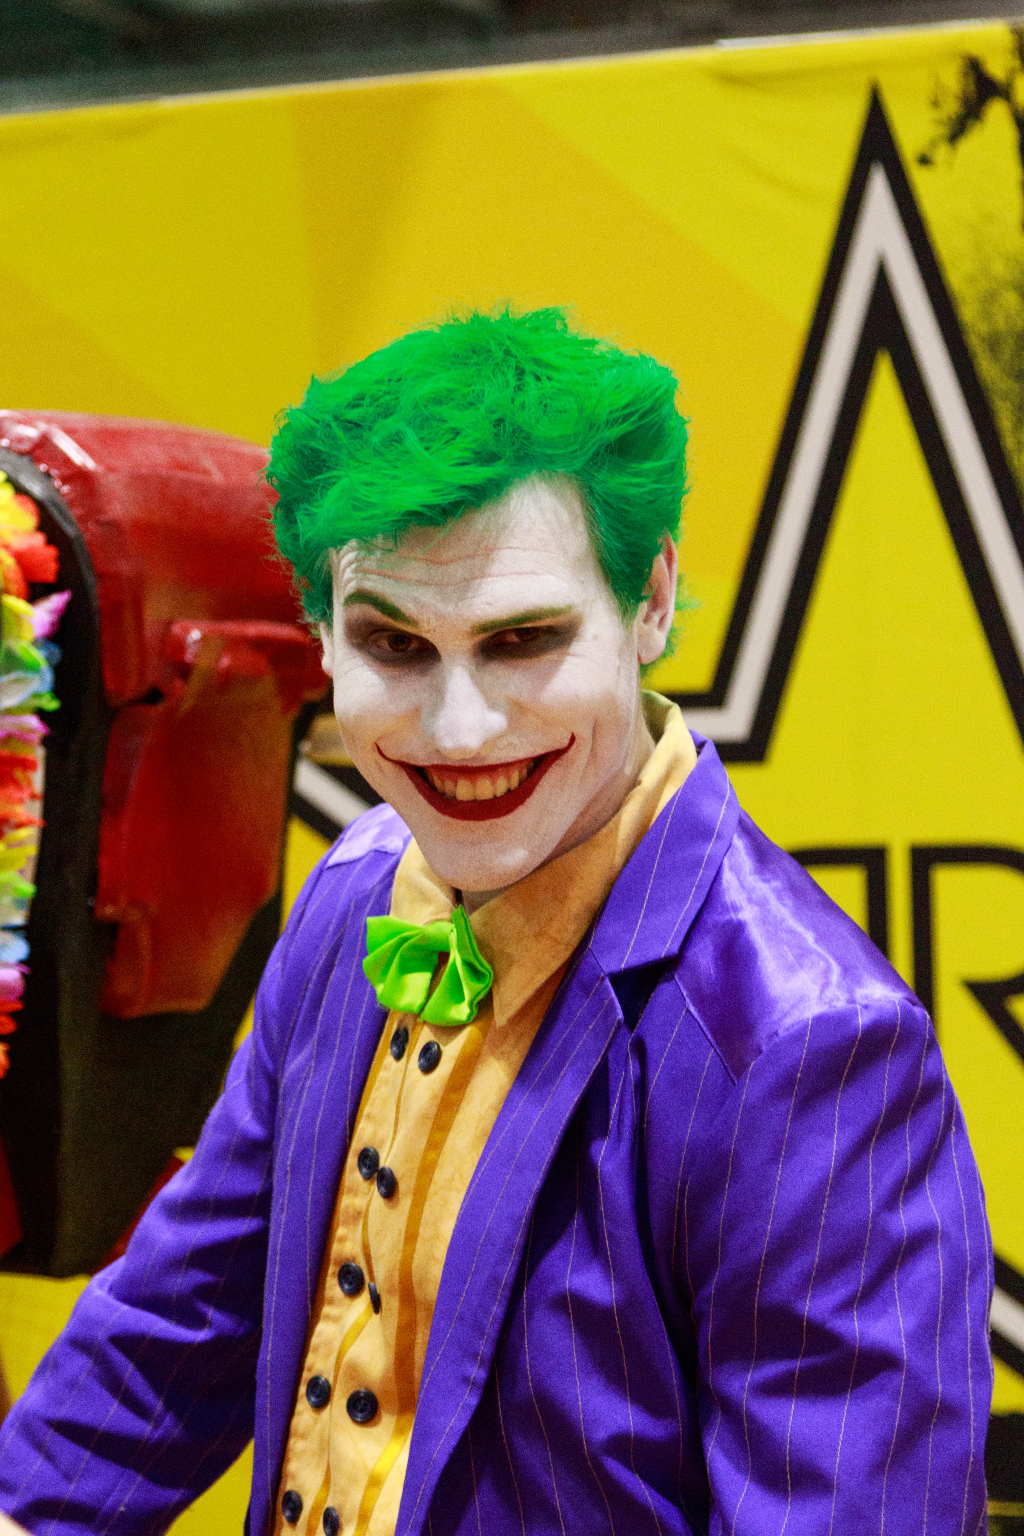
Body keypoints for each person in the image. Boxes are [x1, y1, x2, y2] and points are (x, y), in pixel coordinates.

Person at [0, 309, 992, 1535]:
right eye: (393, 644)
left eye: (522, 640)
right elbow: (193, 1307)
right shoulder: (356, 888)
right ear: (321, 637)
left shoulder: (807, 1042)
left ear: (649, 601)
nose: (459, 730)